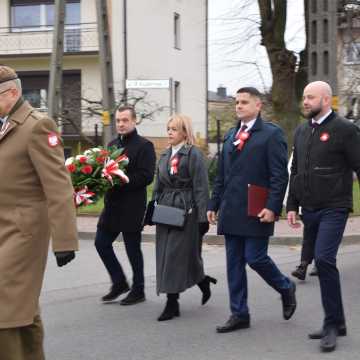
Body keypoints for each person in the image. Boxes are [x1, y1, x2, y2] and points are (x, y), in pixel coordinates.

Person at [0, 65, 78, 359]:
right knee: (23, 307)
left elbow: (58, 186)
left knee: (5, 307)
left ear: (12, 93)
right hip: (4, 227)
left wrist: (65, 242)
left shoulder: (37, 126)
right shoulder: (5, 124)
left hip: (23, 233)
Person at [207, 87, 296, 333]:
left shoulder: (270, 134)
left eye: (244, 102)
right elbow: (221, 176)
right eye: (237, 102)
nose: (238, 106)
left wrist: (272, 207)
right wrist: (213, 204)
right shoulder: (230, 134)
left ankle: (285, 287)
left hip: (257, 208)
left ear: (258, 106)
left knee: (255, 258)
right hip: (231, 209)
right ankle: (239, 313)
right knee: (234, 263)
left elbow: (279, 176)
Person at [287, 80, 360, 352]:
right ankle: (338, 321)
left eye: (310, 97)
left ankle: (331, 324)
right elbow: (295, 170)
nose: (304, 101)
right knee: (322, 259)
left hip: (335, 206)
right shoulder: (302, 131)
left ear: (326, 100)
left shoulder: (345, 130)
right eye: (304, 97)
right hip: (310, 208)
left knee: (325, 260)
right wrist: (292, 206)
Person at [152, 114, 216, 321]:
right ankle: (202, 280)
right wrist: (151, 210)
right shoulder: (164, 155)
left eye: (174, 129)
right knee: (166, 255)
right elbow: (158, 186)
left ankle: (172, 303)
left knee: (176, 256)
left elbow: (201, 186)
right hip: (166, 210)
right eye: (168, 128)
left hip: (186, 210)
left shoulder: (194, 154)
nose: (169, 132)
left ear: (184, 133)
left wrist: (202, 217)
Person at [95, 105, 156, 305]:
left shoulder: (144, 146)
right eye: (118, 120)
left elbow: (146, 176)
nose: (121, 124)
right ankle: (119, 282)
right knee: (101, 243)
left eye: (125, 120)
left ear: (134, 121)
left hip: (132, 206)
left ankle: (138, 290)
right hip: (112, 206)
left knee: (132, 249)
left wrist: (122, 178)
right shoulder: (112, 145)